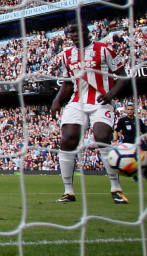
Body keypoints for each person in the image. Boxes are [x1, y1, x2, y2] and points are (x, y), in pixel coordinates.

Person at [50, 23, 129, 204]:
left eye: (78, 31)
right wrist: (57, 100)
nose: (75, 35)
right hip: (77, 101)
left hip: (101, 100)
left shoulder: (104, 50)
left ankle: (116, 188)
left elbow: (122, 76)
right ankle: (68, 191)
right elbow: (68, 83)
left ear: (87, 32)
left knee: (102, 136)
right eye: (71, 32)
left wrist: (110, 94)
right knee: (67, 139)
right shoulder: (67, 55)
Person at [114, 102, 147, 182]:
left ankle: (145, 174)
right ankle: (134, 176)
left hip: (138, 141)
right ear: (126, 110)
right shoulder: (122, 120)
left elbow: (144, 132)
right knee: (132, 159)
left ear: (134, 110)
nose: (130, 111)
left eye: (131, 109)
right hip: (128, 143)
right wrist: (115, 139)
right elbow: (116, 131)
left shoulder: (138, 121)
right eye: (128, 109)